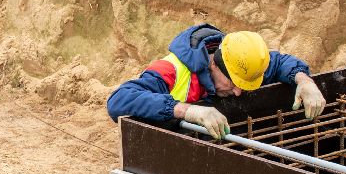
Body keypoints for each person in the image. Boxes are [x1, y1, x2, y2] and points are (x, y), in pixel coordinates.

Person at [106, 23, 327, 137]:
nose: (238, 92)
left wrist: (304, 81)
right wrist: (188, 111)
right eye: (232, 84)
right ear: (213, 64)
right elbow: (119, 100)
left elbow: (278, 62)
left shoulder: (240, 62)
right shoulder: (172, 70)